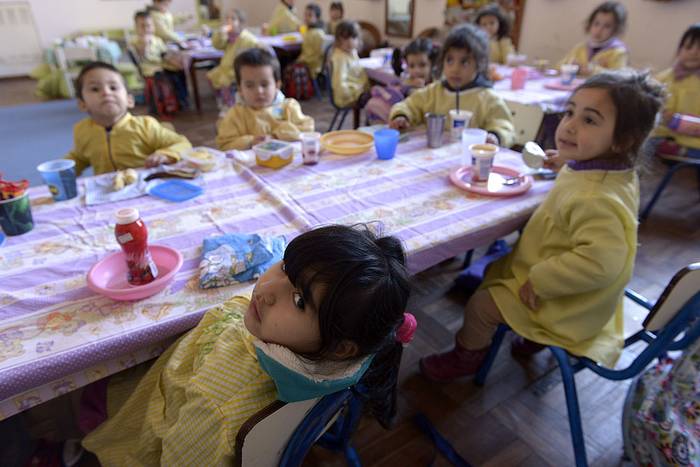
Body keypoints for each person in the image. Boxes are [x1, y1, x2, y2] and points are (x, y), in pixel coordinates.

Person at [80, 224, 413, 465]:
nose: (267, 289)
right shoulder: (351, 349)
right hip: (184, 384)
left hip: (151, 425)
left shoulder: (216, 406)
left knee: (89, 394)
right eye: (284, 266)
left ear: (342, 347)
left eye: (299, 300)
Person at [420, 70, 665, 381]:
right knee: (498, 268)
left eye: (589, 120)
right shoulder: (612, 172)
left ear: (622, 141)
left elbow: (600, 262)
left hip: (567, 301)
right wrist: (567, 162)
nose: (570, 125)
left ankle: (466, 357)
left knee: (481, 306)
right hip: (573, 286)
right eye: (570, 112)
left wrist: (542, 280)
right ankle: (533, 340)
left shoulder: (596, 198)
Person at [389, 24, 515, 148]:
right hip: (433, 158)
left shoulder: (488, 98)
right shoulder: (433, 92)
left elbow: (503, 124)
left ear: (480, 64)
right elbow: (408, 105)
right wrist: (401, 116)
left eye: (464, 62)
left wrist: (495, 135)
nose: (455, 69)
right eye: (449, 60)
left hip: (469, 162)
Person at [64, 62, 191, 176]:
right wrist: (65, 169)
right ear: (82, 104)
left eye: (113, 87)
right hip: (108, 192)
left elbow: (182, 144)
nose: (106, 93)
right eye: (95, 89)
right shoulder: (82, 130)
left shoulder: (145, 126)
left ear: (129, 100)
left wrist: (165, 154)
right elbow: (81, 157)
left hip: (146, 186)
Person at [216, 48, 314, 150]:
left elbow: (308, 129)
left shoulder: (289, 107)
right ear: (240, 89)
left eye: (264, 84)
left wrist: (277, 135)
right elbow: (224, 145)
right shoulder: (235, 115)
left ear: (277, 85)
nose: (259, 91)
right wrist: (250, 141)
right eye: (250, 86)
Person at [649, 23, 700, 155]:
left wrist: (677, 121)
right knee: (644, 145)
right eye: (688, 47)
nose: (694, 52)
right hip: (663, 136)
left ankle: (682, 153)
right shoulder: (665, 77)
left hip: (694, 142)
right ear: (679, 50)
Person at [365, 38, 440, 124]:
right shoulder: (407, 84)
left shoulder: (437, 86)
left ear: (433, 64)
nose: (416, 70)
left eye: (422, 65)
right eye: (412, 66)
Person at [129, 10, 189, 110]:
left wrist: (176, 62)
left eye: (149, 25)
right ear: (136, 27)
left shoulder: (157, 40)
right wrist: (144, 44)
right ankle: (171, 101)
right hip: (150, 69)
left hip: (161, 65)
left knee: (180, 71)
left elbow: (164, 54)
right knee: (171, 76)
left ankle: (181, 98)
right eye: (142, 26)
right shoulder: (135, 41)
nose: (146, 29)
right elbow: (140, 56)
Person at [207, 8, 262, 111]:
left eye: (233, 19)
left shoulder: (246, 39)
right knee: (212, 76)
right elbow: (217, 45)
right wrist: (220, 34)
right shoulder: (229, 37)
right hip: (225, 69)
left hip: (236, 71)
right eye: (227, 18)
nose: (229, 21)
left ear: (240, 22)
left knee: (226, 83)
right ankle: (224, 104)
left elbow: (248, 60)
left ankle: (232, 107)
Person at [559, 1, 629, 75]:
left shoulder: (618, 52)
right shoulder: (580, 48)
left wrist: (593, 70)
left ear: (616, 29)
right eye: (596, 23)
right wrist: (570, 65)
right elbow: (559, 66)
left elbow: (618, 77)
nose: (599, 30)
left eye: (607, 26)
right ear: (590, 24)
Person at [330, 20, 369, 109]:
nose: (350, 41)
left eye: (354, 37)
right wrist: (353, 94)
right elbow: (339, 84)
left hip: (357, 91)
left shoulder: (352, 52)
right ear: (338, 39)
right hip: (348, 96)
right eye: (345, 38)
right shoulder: (340, 57)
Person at [296, 3, 326, 79]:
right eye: (305, 15)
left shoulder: (316, 34)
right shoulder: (311, 31)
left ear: (317, 18)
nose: (306, 17)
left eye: (310, 15)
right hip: (312, 64)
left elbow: (314, 56)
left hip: (312, 67)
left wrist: (299, 60)